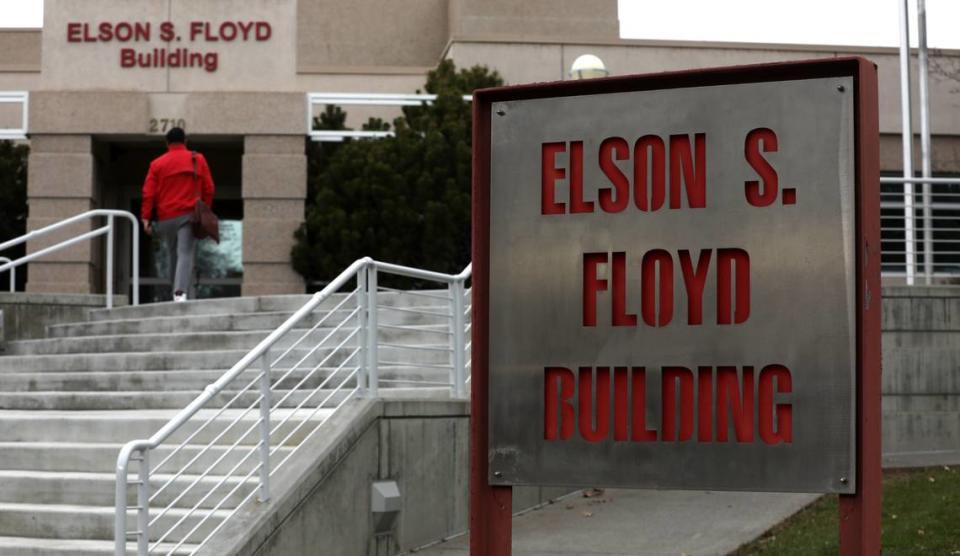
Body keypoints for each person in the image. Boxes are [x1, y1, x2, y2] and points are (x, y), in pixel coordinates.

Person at [141, 127, 215, 302]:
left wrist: (145, 218)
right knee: (185, 253)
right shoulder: (197, 159)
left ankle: (176, 291)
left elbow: (148, 193)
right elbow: (209, 188)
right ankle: (180, 292)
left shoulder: (157, 164)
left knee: (173, 254)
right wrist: (204, 210)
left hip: (165, 218)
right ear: (185, 141)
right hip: (188, 215)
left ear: (167, 143)